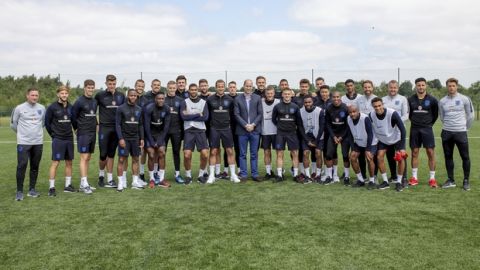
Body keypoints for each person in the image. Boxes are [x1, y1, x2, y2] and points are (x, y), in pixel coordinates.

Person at [439, 78, 474, 191]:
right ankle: (451, 180)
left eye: (453, 85)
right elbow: (442, 116)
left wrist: (464, 128)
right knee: (448, 156)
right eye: (449, 86)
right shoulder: (442, 101)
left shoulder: (464, 99)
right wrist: (449, 126)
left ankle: (466, 181)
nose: (451, 88)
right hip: (447, 132)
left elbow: (470, 115)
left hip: (461, 132)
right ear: (447, 87)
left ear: (457, 86)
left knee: (465, 157)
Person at [11, 87, 45, 201]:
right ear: (27, 95)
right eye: (32, 95)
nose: (35, 97)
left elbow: (43, 123)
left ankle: (32, 190)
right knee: (22, 165)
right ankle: (19, 191)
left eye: (36, 95)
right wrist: (23, 134)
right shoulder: (19, 108)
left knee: (35, 167)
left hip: (38, 142)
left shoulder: (42, 108)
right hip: (23, 143)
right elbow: (13, 124)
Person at [206, 79, 241, 184]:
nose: (220, 88)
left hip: (226, 129)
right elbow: (207, 115)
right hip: (214, 129)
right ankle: (212, 175)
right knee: (213, 152)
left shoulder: (230, 100)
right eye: (219, 86)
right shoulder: (210, 99)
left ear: (224, 87)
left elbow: (232, 114)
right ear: (216, 87)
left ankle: (233, 175)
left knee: (230, 151)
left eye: (222, 86)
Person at [370, 97, 407, 192]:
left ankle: (399, 182)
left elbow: (403, 129)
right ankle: (385, 181)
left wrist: (402, 147)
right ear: (372, 107)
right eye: (375, 106)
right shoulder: (371, 115)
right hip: (383, 140)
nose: (378, 108)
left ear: (383, 104)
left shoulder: (392, 113)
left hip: (396, 138)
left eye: (379, 105)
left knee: (400, 158)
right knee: (379, 157)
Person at [407, 77, 439, 188]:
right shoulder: (410, 99)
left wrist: (428, 123)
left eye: (422, 85)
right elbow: (409, 114)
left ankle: (432, 179)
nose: (421, 87)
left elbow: (435, 115)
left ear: (426, 86)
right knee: (414, 152)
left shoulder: (433, 100)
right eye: (418, 85)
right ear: (415, 86)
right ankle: (414, 178)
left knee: (430, 152)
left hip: (427, 129)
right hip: (415, 129)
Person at [95, 74, 125, 188]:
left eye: (114, 84)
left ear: (115, 84)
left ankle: (110, 179)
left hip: (116, 129)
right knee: (103, 154)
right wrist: (97, 124)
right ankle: (101, 176)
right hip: (104, 128)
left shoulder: (121, 95)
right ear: (106, 83)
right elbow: (92, 110)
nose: (112, 86)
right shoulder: (100, 95)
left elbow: (125, 111)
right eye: (110, 83)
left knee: (111, 154)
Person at [45, 86, 75, 197]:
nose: (64, 95)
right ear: (58, 94)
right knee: (55, 163)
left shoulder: (71, 107)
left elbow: (74, 122)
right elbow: (47, 123)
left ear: (68, 94)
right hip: (58, 139)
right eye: (62, 93)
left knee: (69, 162)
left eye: (66, 93)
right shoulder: (52, 107)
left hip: (69, 138)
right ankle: (51, 188)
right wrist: (53, 135)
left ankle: (68, 186)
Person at [272, 88, 306, 183]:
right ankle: (279, 175)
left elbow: (299, 122)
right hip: (280, 133)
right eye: (285, 94)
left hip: (292, 133)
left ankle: (295, 175)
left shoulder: (295, 107)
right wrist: (280, 126)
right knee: (279, 154)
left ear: (291, 95)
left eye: (288, 94)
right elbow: (273, 119)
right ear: (282, 95)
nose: (287, 95)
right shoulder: (277, 106)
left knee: (295, 153)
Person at [115, 89, 144, 191]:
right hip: (125, 138)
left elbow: (140, 125)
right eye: (131, 95)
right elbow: (117, 124)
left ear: (137, 97)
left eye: (135, 96)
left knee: (136, 159)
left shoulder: (139, 109)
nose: (133, 97)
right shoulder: (121, 108)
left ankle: (135, 182)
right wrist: (120, 138)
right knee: (122, 159)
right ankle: (120, 182)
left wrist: (142, 138)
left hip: (135, 138)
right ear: (128, 96)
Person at [72, 80, 98, 195]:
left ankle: (84, 182)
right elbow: (73, 116)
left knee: (88, 158)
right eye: (88, 87)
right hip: (83, 132)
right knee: (84, 157)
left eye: (92, 87)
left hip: (92, 132)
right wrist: (76, 129)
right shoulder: (79, 101)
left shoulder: (94, 101)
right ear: (84, 88)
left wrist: (97, 124)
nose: (90, 89)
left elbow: (93, 115)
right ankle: (83, 183)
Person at [234, 79, 263, 182]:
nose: (248, 88)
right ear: (244, 86)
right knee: (242, 154)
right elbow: (236, 114)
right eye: (247, 86)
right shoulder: (237, 99)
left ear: (252, 87)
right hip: (242, 131)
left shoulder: (258, 98)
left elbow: (260, 114)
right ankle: (244, 174)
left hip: (255, 130)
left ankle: (255, 174)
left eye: (250, 86)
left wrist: (253, 125)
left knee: (254, 153)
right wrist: (246, 125)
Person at [180, 83, 210, 184]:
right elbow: (183, 117)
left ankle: (201, 175)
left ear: (197, 90)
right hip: (189, 130)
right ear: (189, 91)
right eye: (191, 90)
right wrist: (198, 114)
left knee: (205, 154)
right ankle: (188, 175)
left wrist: (190, 114)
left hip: (201, 130)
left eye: (195, 90)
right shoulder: (184, 102)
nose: (193, 91)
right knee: (187, 155)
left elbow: (205, 117)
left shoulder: (203, 102)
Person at [382, 80, 409, 183]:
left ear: (398, 88)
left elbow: (406, 115)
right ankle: (393, 176)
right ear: (388, 88)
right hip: (388, 133)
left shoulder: (403, 99)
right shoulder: (383, 100)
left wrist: (396, 122)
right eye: (391, 87)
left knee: (401, 155)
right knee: (390, 155)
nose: (392, 89)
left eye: (395, 88)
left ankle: (404, 178)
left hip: (399, 131)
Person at [144, 92, 171, 188]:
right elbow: (146, 127)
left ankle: (161, 179)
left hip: (160, 134)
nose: (161, 100)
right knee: (151, 154)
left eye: (162, 98)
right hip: (149, 134)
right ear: (155, 99)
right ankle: (151, 179)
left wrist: (160, 140)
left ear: (164, 99)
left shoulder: (167, 109)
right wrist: (151, 141)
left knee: (162, 152)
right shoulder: (149, 108)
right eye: (158, 98)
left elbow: (166, 127)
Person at [347, 105, 377, 189]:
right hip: (358, 142)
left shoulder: (365, 118)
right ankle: (360, 180)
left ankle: (372, 181)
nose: (352, 114)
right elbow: (349, 133)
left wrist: (368, 149)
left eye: (354, 112)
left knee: (369, 158)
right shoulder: (348, 119)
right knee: (352, 157)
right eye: (350, 112)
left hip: (370, 142)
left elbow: (370, 134)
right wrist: (352, 147)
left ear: (358, 111)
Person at [324, 91, 350, 185]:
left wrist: (341, 137)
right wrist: (333, 136)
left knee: (345, 155)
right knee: (329, 155)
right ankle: (330, 176)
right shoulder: (328, 108)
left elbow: (348, 124)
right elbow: (327, 123)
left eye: (337, 97)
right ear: (331, 98)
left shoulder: (346, 108)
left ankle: (347, 176)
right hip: (333, 134)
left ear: (340, 97)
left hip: (344, 135)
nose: (336, 99)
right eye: (334, 97)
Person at [299, 95, 325, 182]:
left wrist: (316, 141)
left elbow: (322, 127)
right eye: (305, 102)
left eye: (309, 102)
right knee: (305, 153)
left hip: (318, 136)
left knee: (318, 153)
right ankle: (308, 175)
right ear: (303, 103)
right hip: (307, 136)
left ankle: (318, 174)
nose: (307, 104)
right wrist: (307, 140)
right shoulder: (300, 111)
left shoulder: (319, 111)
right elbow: (300, 127)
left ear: (312, 102)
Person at [164, 80, 185, 184]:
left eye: (173, 88)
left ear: (176, 88)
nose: (172, 90)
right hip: (164, 131)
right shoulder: (163, 99)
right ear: (167, 88)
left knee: (176, 152)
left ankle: (177, 174)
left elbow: (183, 117)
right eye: (170, 88)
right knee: (162, 152)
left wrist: (183, 133)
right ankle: (160, 175)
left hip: (176, 130)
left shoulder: (180, 100)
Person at [261, 85, 280, 179]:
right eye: (268, 93)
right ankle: (268, 172)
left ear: (274, 94)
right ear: (265, 94)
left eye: (271, 93)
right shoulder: (261, 102)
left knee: (278, 153)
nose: (269, 95)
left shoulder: (278, 102)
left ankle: (279, 172)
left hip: (277, 132)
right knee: (266, 152)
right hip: (265, 132)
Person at [223, 81, 241, 175]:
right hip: (227, 127)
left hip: (238, 128)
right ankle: (225, 170)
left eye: (234, 87)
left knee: (238, 149)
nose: (232, 89)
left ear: (236, 88)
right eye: (230, 87)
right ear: (228, 88)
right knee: (227, 149)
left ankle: (239, 169)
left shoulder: (240, 98)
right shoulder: (225, 98)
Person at [134, 79, 148, 183]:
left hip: (142, 128)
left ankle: (141, 174)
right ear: (135, 86)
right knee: (134, 155)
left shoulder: (146, 100)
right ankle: (133, 177)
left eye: (142, 86)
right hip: (131, 129)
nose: (140, 88)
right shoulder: (130, 98)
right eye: (139, 86)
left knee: (142, 152)